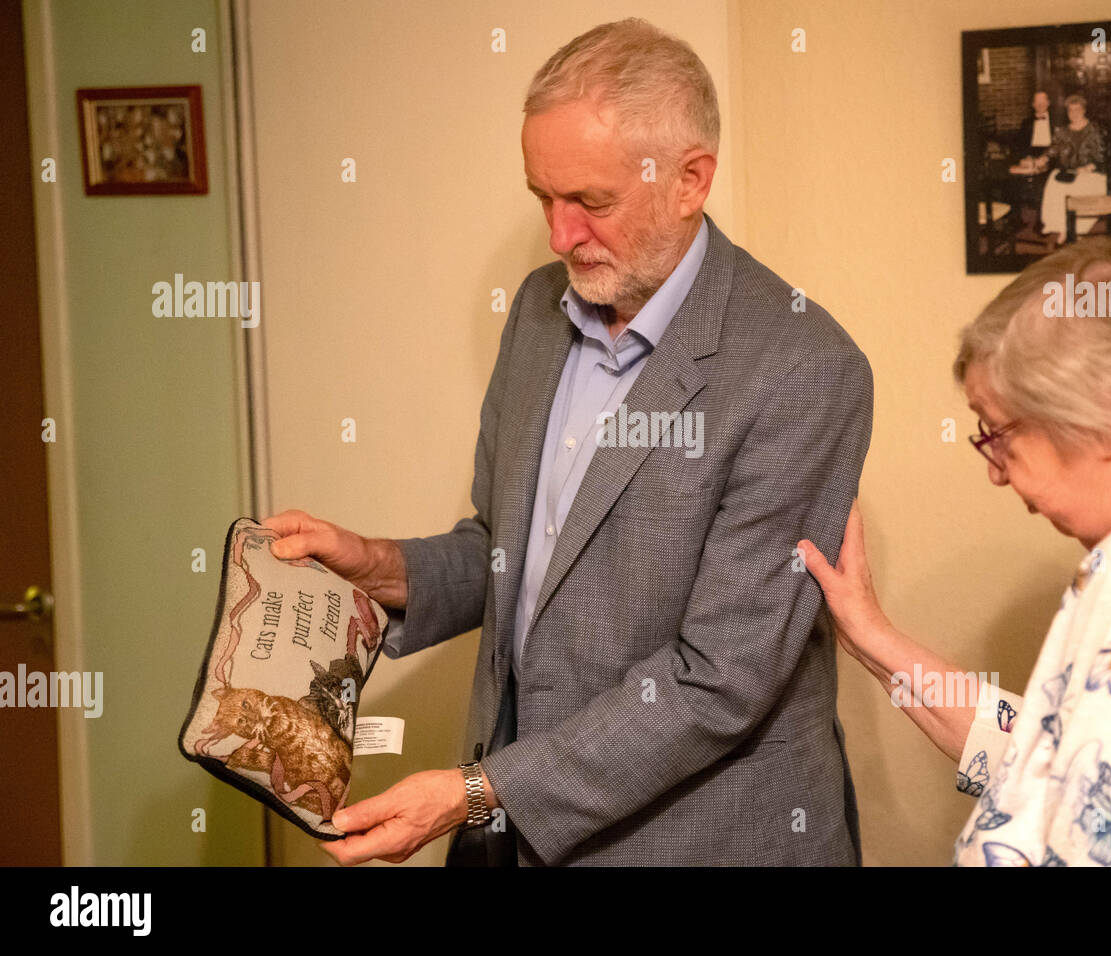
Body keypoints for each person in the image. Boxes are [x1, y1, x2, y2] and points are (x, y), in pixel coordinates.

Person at [263, 18, 873, 866]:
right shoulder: (537, 315)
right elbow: (512, 555)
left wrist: (477, 791)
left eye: (590, 202)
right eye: (541, 198)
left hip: (700, 840)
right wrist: (380, 565)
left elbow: (722, 675)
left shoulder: (803, 367)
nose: (558, 236)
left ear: (691, 180)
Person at [800, 239, 1111, 866]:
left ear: (1105, 416)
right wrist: (870, 632)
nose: (997, 473)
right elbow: (1052, 764)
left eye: (1000, 433)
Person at [1035, 94, 1108, 239]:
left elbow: (1102, 155)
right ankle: (1059, 226)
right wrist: (1044, 157)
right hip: (1068, 172)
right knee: (1053, 183)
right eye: (1070, 110)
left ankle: (1074, 229)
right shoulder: (1062, 131)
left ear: (1084, 111)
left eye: (1077, 110)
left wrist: (1088, 168)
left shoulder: (1094, 130)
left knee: (1078, 188)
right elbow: (1053, 148)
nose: (1074, 113)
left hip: (1090, 172)